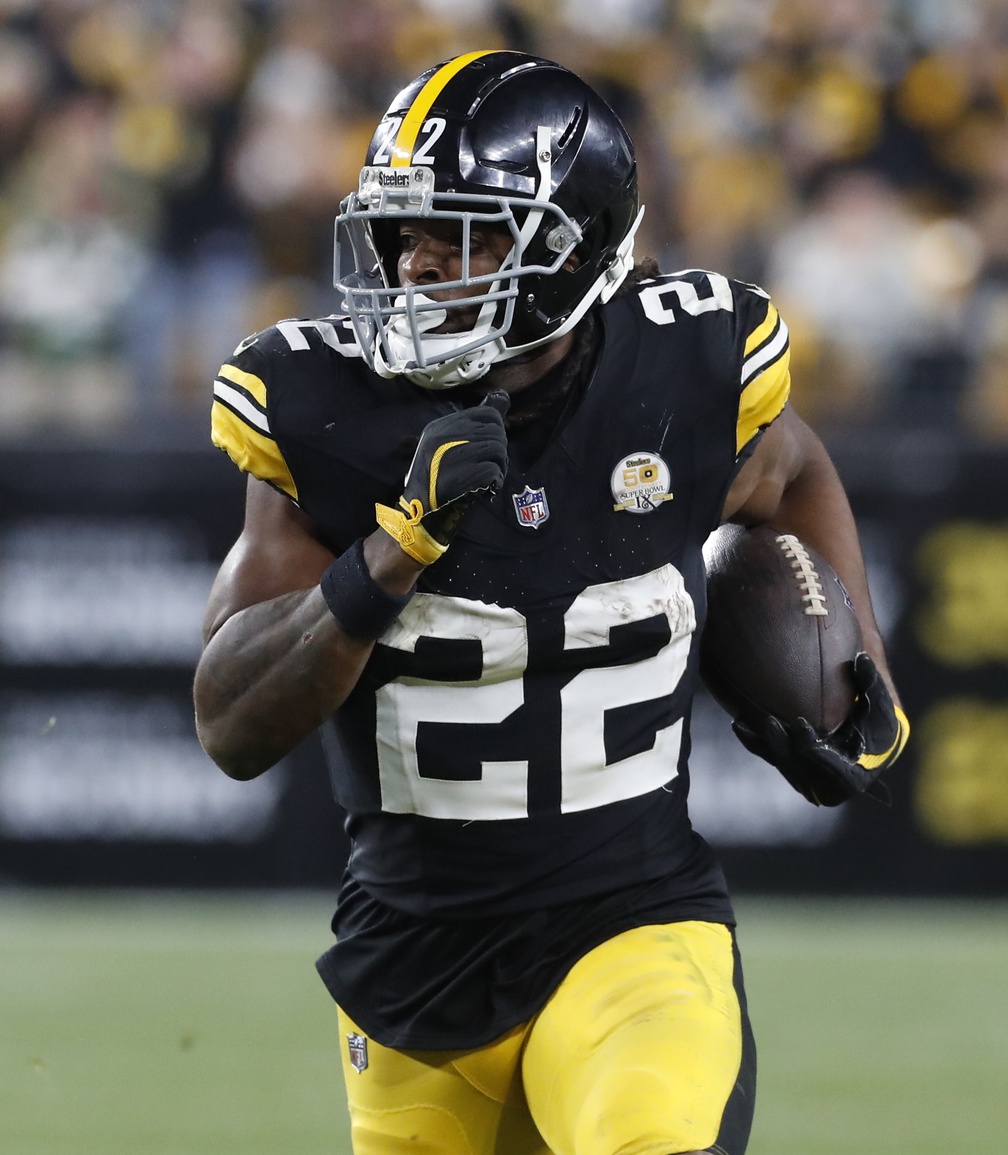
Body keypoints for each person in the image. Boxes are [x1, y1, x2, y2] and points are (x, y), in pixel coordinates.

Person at [194, 50, 910, 1155]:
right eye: (406, 232)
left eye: (467, 234)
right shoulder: (320, 408)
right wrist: (391, 553)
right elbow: (231, 726)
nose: (421, 264)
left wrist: (859, 659)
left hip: (632, 922)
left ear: (571, 249)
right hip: (412, 977)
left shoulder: (681, 365)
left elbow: (796, 471)